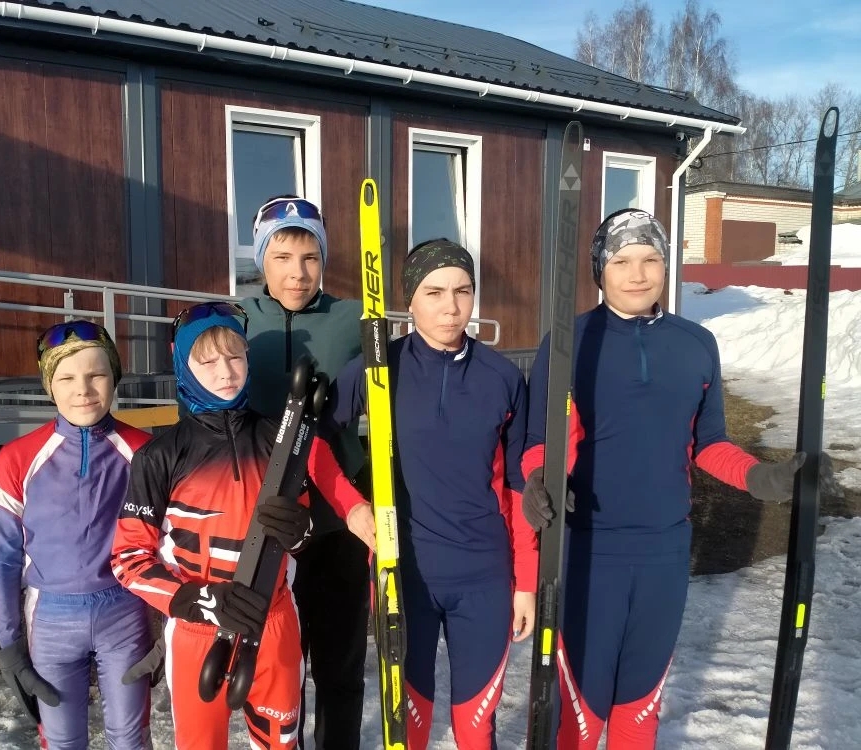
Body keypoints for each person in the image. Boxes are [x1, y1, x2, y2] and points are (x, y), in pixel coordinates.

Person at [520, 208, 817, 750]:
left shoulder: (696, 343)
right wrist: (539, 477)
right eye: (622, 261)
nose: (638, 274)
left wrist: (759, 478)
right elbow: (539, 439)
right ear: (599, 270)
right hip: (588, 549)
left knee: (641, 704)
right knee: (581, 712)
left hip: (665, 551)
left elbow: (709, 443)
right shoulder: (568, 343)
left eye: (651, 259)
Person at [110, 302, 369, 750]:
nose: (225, 372)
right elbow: (128, 559)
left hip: (275, 623)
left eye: (235, 356)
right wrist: (195, 600)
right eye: (207, 361)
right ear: (183, 367)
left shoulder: (278, 439)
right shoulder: (160, 455)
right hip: (197, 631)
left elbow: (299, 533)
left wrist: (302, 531)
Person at [325, 239, 539, 750]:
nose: (451, 306)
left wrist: (527, 582)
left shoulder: (503, 377)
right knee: (410, 723)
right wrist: (351, 508)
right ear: (410, 299)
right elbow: (314, 442)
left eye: (463, 291)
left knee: (475, 725)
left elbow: (519, 486)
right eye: (434, 292)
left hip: (484, 576)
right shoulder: (380, 367)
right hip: (405, 575)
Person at [0, 320, 153, 750]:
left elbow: (172, 541)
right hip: (51, 618)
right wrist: (8, 643)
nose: (84, 390)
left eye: (97, 374)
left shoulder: (145, 451)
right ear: (49, 386)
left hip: (125, 612)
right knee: (62, 741)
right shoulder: (17, 458)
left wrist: (173, 625)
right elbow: (1, 557)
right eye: (66, 378)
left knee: (130, 739)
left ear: (114, 377)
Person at [241, 195, 371, 749]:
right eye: (282, 257)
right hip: (265, 519)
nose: (297, 272)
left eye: (310, 257)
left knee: (340, 665)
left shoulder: (352, 319)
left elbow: (394, 383)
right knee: (278, 665)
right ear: (261, 261)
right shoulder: (239, 321)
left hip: (338, 518)